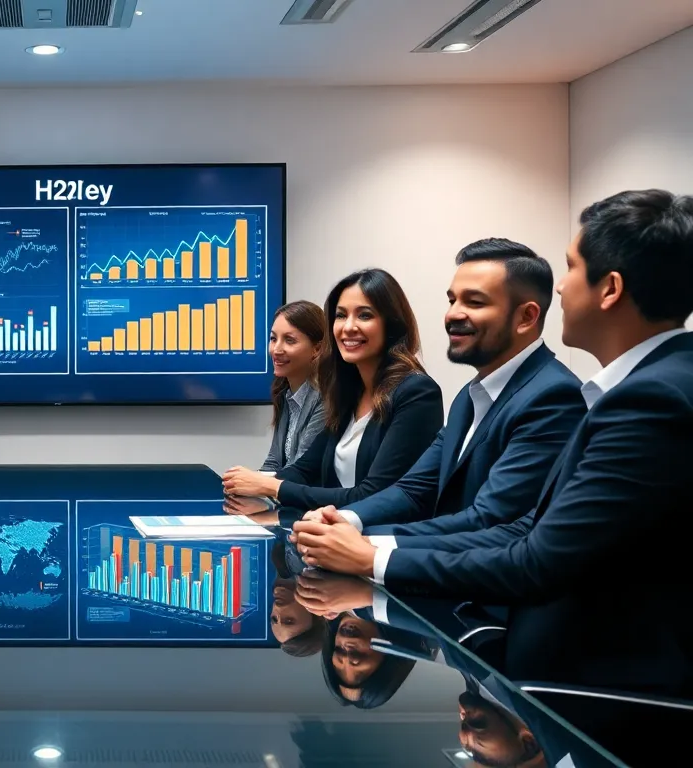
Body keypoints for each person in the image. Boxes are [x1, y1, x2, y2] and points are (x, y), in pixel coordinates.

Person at [295, 189, 693, 700]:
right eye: (452, 300)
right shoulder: (478, 395)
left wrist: (371, 557)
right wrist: (353, 531)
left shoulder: (649, 398)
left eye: (571, 269)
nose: (562, 290)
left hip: (591, 686)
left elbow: (526, 549)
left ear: (610, 288)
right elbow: (469, 505)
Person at [310, 240, 586, 542]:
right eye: (452, 300)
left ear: (526, 317)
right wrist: (345, 520)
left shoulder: (554, 396)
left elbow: (489, 519)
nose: (453, 314)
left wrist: (366, 544)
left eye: (474, 302)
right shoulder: (469, 396)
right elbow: (414, 489)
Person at [224, 269, 443, 511]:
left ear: (391, 325)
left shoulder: (417, 392)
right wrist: (247, 481)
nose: (348, 327)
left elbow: (373, 495)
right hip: (331, 532)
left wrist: (271, 487)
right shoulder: (349, 392)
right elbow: (305, 469)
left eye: (364, 315)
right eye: (341, 316)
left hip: (378, 540)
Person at [223, 300, 326, 491]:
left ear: (317, 349)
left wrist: (256, 483)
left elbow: (302, 470)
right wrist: (245, 483)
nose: (276, 350)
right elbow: (273, 462)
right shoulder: (284, 394)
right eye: (273, 339)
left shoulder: (325, 398)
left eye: (290, 340)